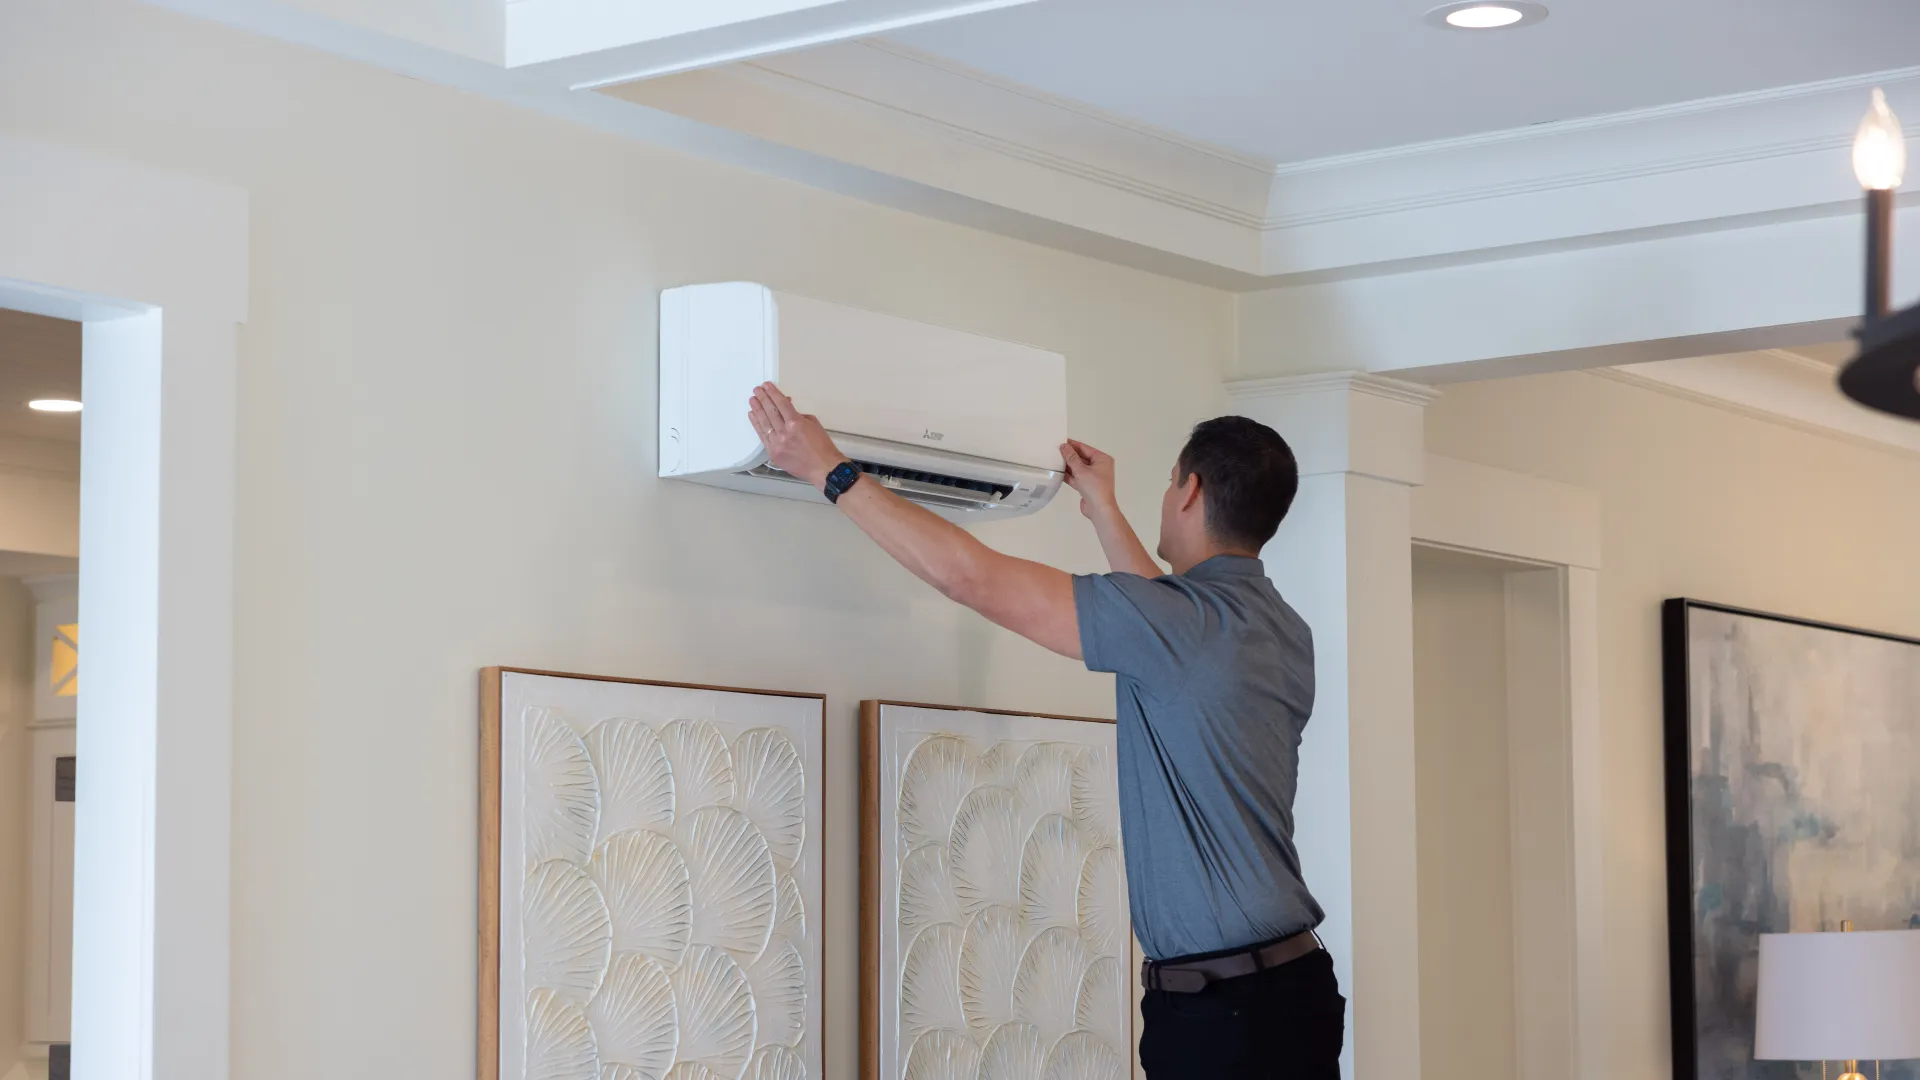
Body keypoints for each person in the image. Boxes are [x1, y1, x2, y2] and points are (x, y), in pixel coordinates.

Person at [747, 383, 1342, 1080]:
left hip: (1225, 1015)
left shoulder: (1179, 629)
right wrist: (1102, 509)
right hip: (1290, 991)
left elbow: (973, 578)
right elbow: (1163, 622)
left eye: (1169, 481)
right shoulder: (1278, 630)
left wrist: (830, 470)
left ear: (1190, 491)